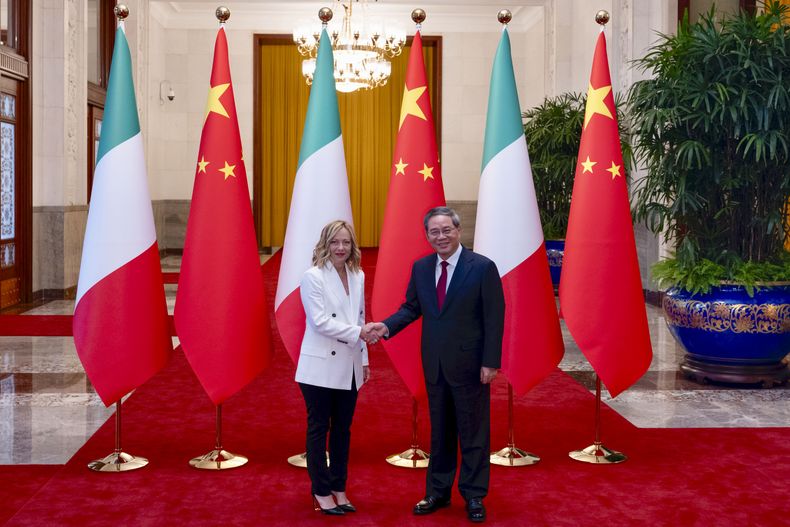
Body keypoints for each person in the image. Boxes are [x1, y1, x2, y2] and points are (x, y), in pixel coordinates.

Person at [367, 207, 505, 523]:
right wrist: (385, 327)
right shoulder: (422, 267)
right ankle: (438, 492)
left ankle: (473, 495)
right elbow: (411, 308)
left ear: (458, 231)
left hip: (472, 366)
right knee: (440, 432)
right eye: (434, 232)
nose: (440, 236)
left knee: (473, 433)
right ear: (427, 235)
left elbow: (494, 318)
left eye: (446, 230)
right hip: (436, 364)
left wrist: (490, 361)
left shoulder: (482, 267)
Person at [295, 220, 377, 515]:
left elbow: (359, 316)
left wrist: (364, 359)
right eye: (334, 243)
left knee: (343, 429)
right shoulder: (312, 276)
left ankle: (339, 487)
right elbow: (319, 322)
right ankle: (320, 490)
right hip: (319, 367)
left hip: (351, 363)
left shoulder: (358, 275)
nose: (340, 248)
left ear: (352, 245)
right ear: (324, 245)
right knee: (319, 428)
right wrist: (361, 333)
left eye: (345, 242)